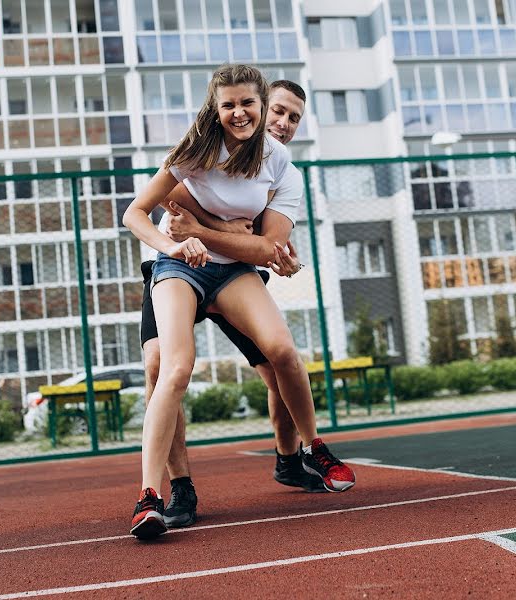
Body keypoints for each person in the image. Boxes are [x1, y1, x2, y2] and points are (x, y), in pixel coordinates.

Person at [123, 65, 355, 540]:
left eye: (248, 103)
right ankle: (156, 494)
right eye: (229, 104)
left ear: (259, 102)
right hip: (179, 266)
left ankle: (309, 451)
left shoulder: (279, 163)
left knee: (282, 352)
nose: (240, 112)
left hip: (231, 271)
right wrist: (175, 245)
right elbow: (140, 212)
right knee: (171, 366)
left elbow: (267, 247)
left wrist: (217, 234)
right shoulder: (196, 149)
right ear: (217, 107)